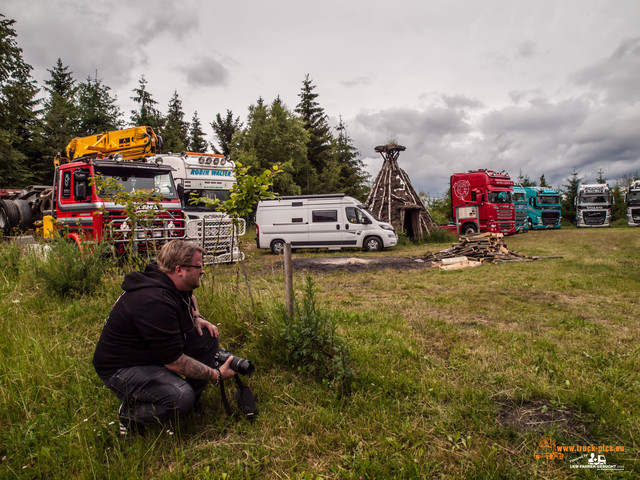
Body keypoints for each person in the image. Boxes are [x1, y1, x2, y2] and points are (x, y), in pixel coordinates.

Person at [92, 240, 236, 436]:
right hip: (123, 368)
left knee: (207, 338)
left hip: (150, 353)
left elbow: (189, 294)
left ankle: (192, 403)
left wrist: (196, 317)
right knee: (180, 398)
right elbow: (175, 362)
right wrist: (216, 374)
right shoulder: (155, 301)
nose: (202, 271)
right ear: (179, 270)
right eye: (199, 266)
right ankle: (130, 413)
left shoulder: (166, 277)